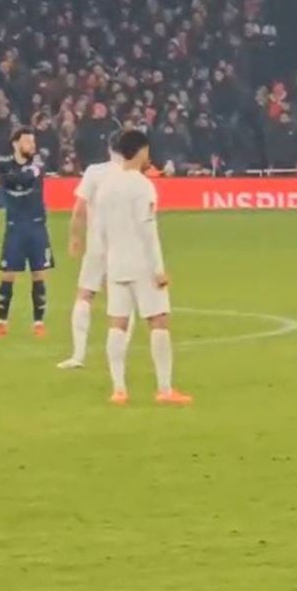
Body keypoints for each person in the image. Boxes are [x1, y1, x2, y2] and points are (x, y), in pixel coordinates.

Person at [96, 130, 192, 406]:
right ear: (139, 151)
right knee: (158, 320)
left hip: (116, 263)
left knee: (118, 323)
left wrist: (104, 267)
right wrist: (158, 268)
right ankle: (164, 389)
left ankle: (119, 389)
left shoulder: (106, 185)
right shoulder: (142, 185)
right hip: (142, 264)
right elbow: (147, 228)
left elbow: (100, 230)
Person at [58, 132, 124, 370]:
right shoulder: (133, 175)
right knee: (122, 297)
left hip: (97, 243)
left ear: (109, 148)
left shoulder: (95, 172)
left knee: (85, 294)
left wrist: (75, 237)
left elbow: (79, 209)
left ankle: (78, 355)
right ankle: (120, 353)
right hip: (125, 245)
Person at [0, 128, 54, 339]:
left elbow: (22, 178)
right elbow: (2, 186)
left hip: (36, 227)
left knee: (39, 274)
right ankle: (1, 323)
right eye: (27, 141)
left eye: (33, 142)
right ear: (16, 144)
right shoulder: (6, 168)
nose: (32, 146)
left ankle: (38, 323)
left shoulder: (37, 166)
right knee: (8, 275)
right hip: (15, 227)